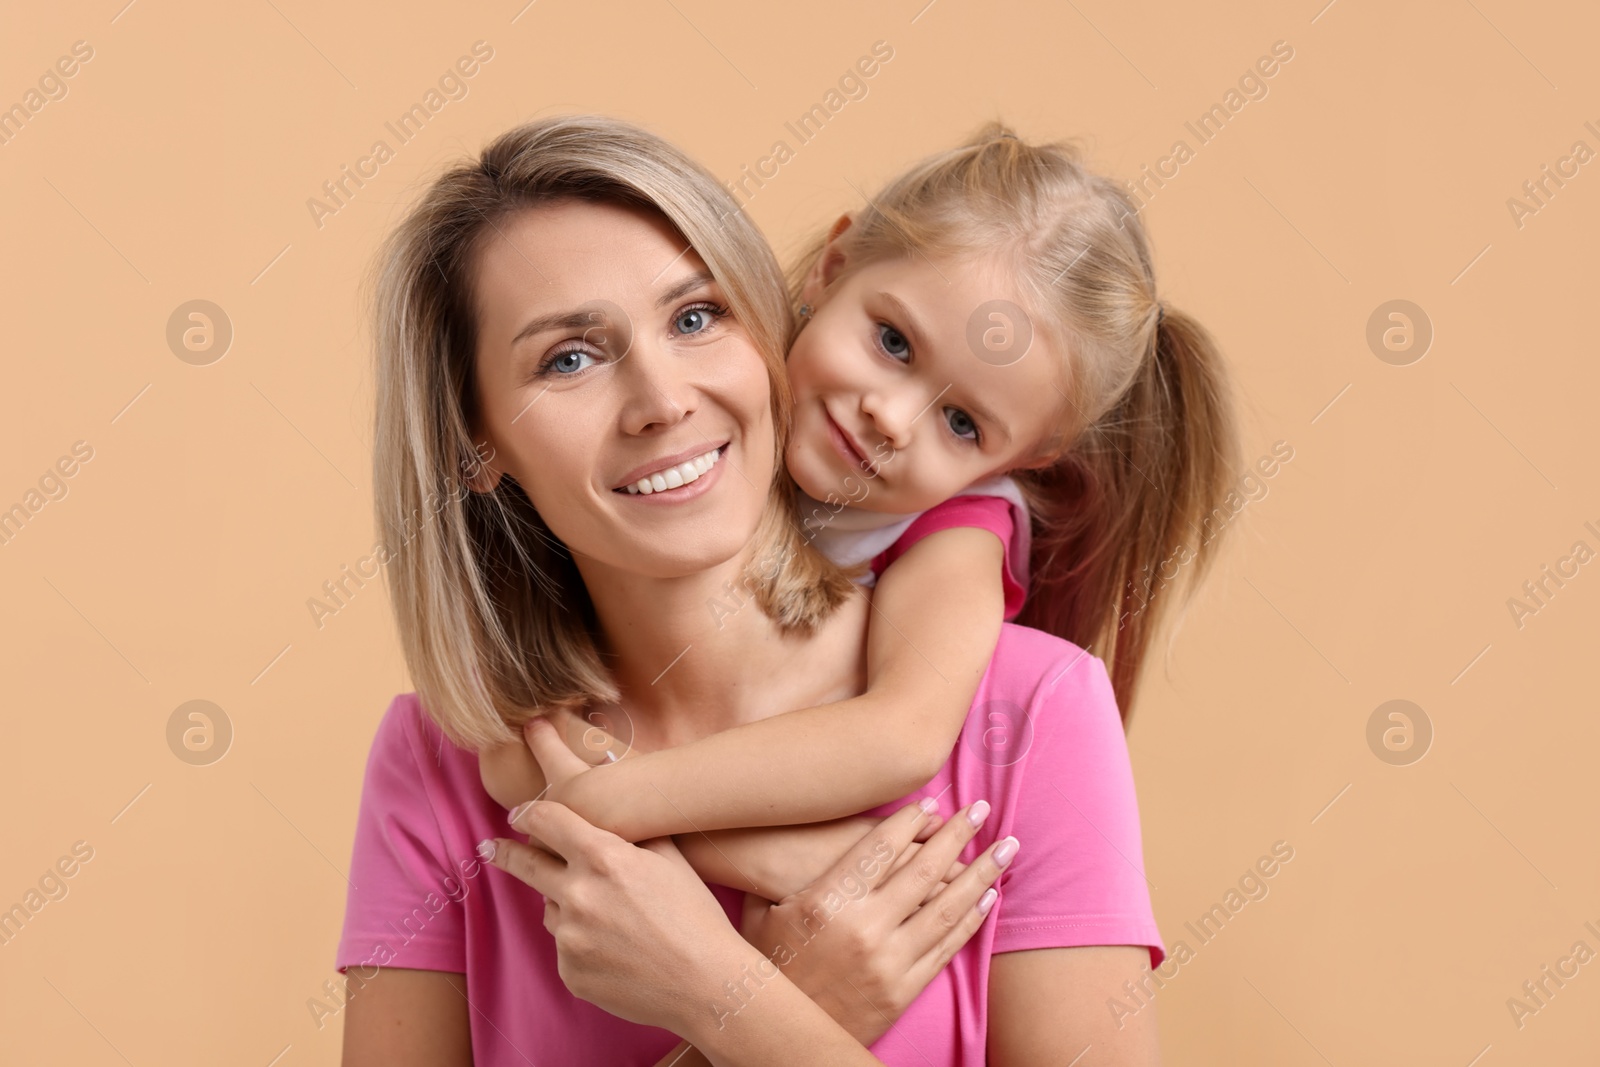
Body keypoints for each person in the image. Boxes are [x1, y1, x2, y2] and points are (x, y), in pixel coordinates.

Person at [338, 114, 1176, 1065]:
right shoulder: (440, 760)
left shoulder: (1030, 712)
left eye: (694, 318)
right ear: (475, 445)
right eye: (567, 357)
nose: (662, 400)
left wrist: (718, 991)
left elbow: (898, 735)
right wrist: (747, 1011)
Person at [474, 122, 1239, 879]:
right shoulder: (708, 423)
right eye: (894, 342)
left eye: (962, 422)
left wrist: (619, 801)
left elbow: (901, 735)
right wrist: (786, 862)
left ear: (1027, 456)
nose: (891, 418)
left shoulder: (960, 533)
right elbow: (512, 767)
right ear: (832, 267)